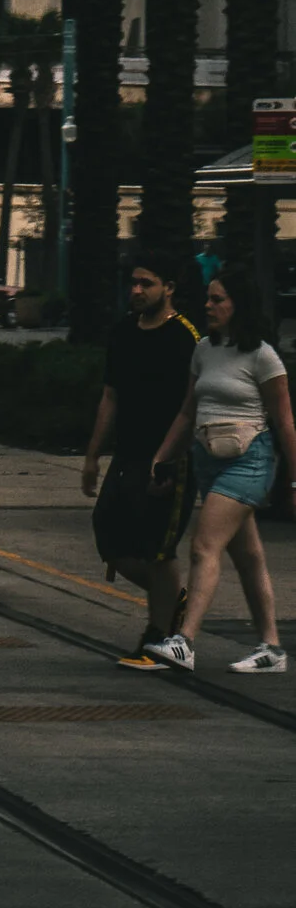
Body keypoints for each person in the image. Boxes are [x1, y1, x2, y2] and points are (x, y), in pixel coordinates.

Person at [143, 268, 295, 675]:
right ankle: (272, 649)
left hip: (250, 460)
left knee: (203, 546)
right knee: (248, 557)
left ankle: (184, 641)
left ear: (238, 305)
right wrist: (162, 457)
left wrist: (294, 480)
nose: (208, 306)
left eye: (218, 299)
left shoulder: (263, 356)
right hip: (208, 459)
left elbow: (284, 423)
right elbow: (187, 412)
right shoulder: (205, 350)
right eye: (208, 299)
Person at [81, 257, 201, 670]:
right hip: (127, 456)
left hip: (168, 459)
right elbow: (110, 396)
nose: (135, 291)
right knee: (110, 541)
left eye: (145, 284)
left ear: (168, 287)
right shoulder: (122, 333)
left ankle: (159, 637)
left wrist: (169, 457)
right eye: (132, 284)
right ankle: (171, 601)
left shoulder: (186, 338)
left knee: (158, 549)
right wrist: (93, 456)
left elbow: (194, 404)